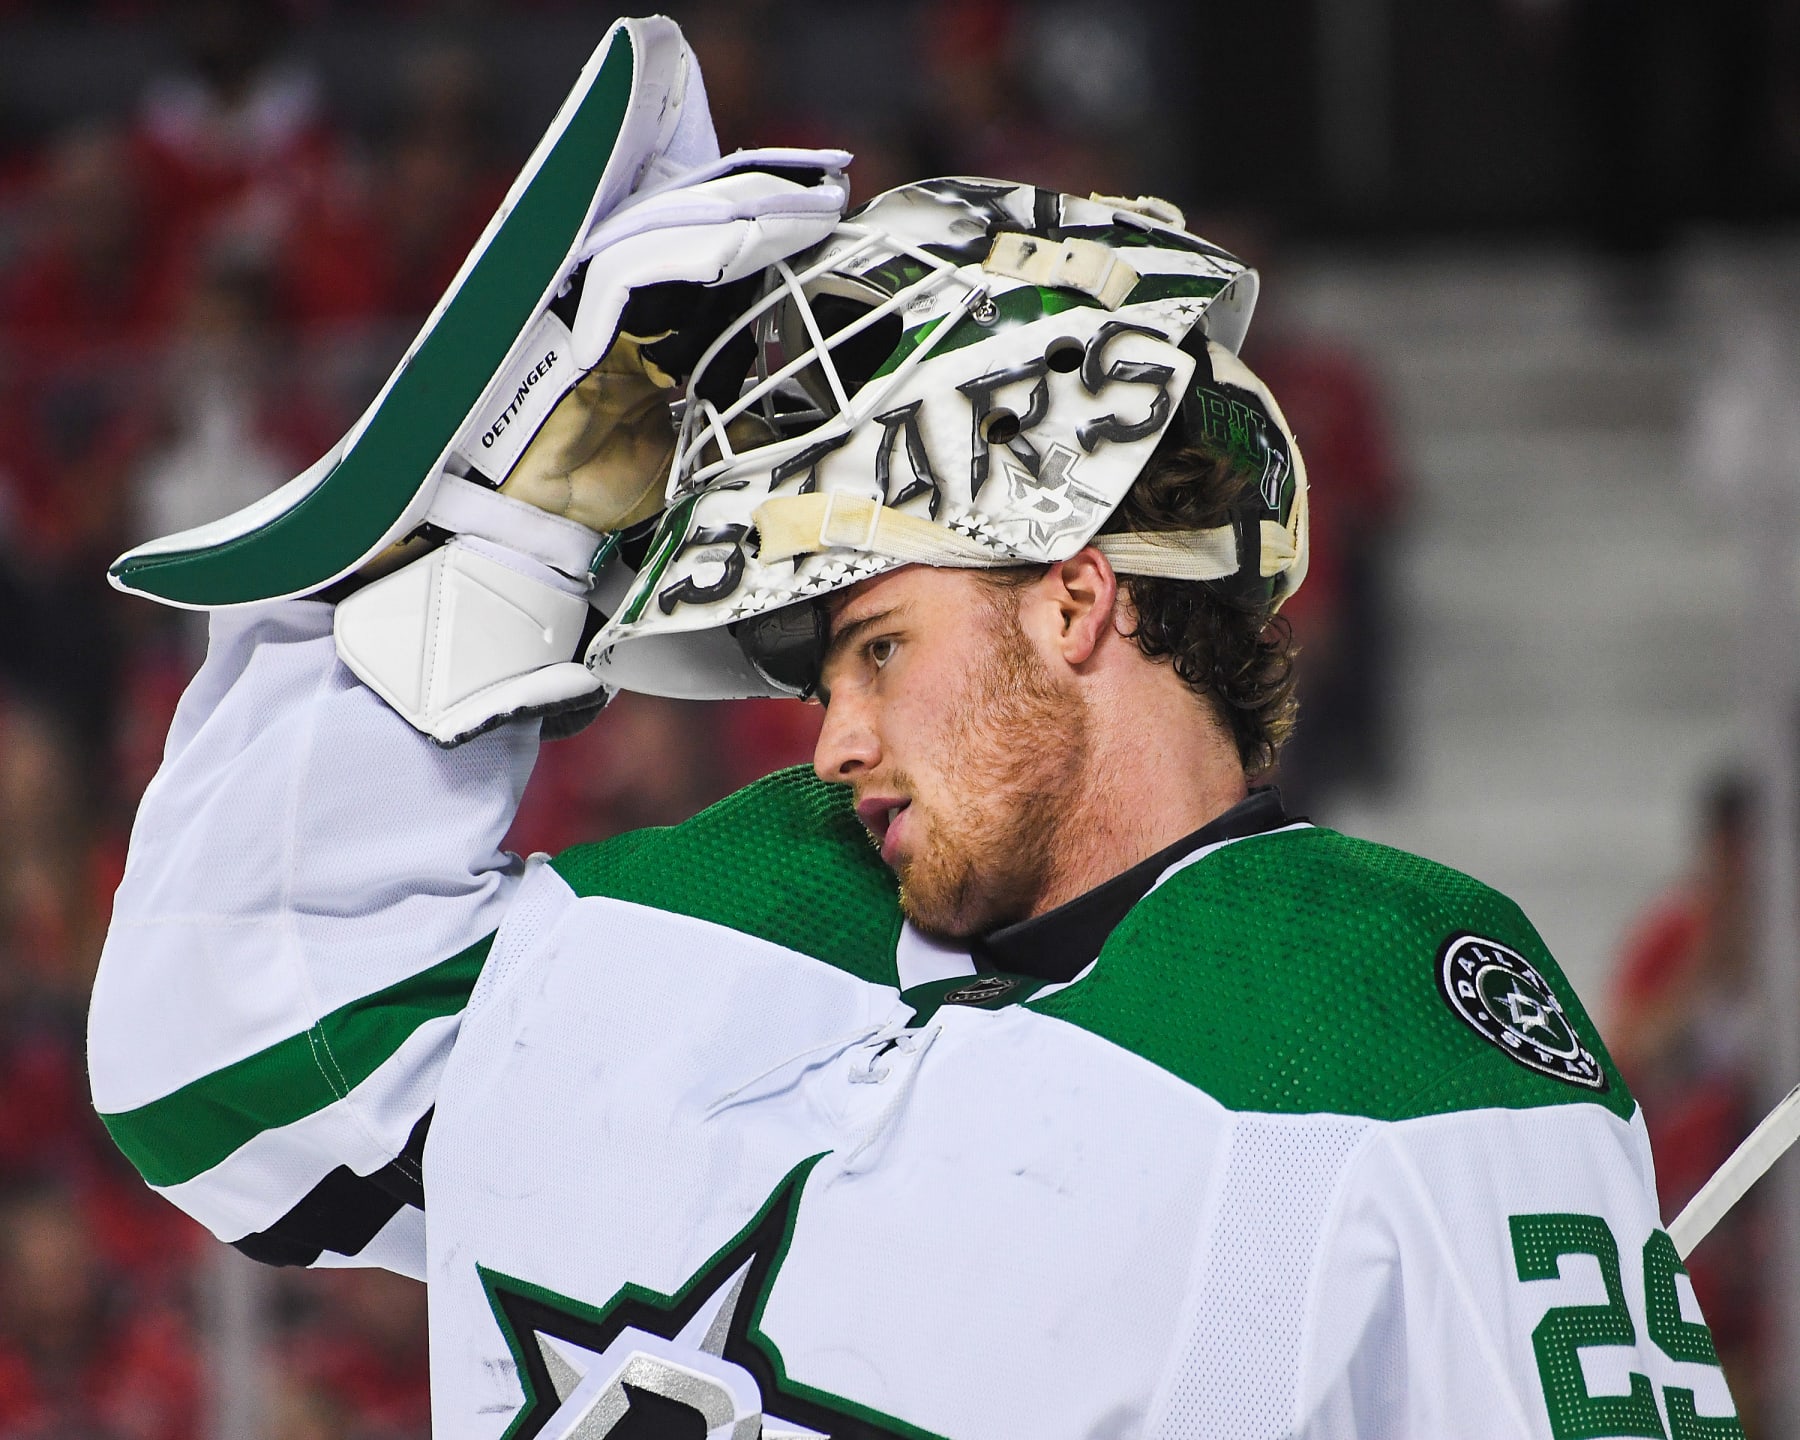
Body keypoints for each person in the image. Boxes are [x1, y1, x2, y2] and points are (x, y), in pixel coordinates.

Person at [89, 18, 1742, 1439]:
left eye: (877, 647)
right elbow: (218, 1053)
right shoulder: (743, 903)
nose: (830, 742)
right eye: (823, 678)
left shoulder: (1364, 1001)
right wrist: (521, 520)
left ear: (1074, 598)